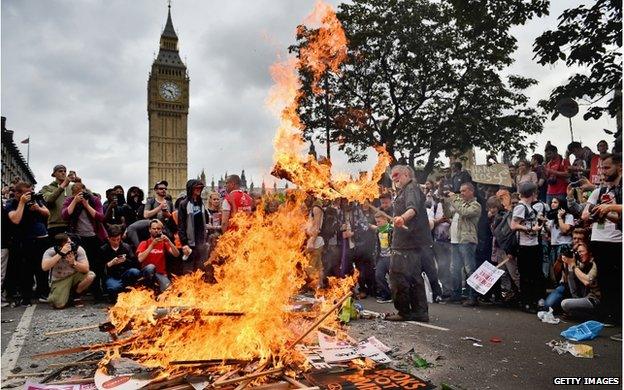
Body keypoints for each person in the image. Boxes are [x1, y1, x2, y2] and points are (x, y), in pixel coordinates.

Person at [385, 165, 431, 322]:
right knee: (413, 276)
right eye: (392, 176)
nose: (394, 179)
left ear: (406, 174)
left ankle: (404, 311)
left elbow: (413, 209)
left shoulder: (411, 188)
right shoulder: (406, 190)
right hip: (410, 241)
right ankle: (419, 312)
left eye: (396, 175)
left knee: (398, 276)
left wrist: (402, 218)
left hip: (407, 242)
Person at [581, 153, 622, 324]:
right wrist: (596, 212)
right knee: (604, 280)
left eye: (607, 167)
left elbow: (617, 217)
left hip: (617, 241)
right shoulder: (598, 191)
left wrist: (609, 209)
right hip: (598, 239)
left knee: (618, 281)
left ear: (620, 167)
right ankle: (609, 315)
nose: (603, 172)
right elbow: (585, 214)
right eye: (601, 168)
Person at [6, 182, 50, 305]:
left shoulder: (34, 200)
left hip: (40, 239)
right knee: (25, 270)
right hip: (23, 240)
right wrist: (22, 203)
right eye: (26, 193)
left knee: (42, 268)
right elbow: (15, 219)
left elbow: (47, 213)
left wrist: (37, 208)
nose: (29, 195)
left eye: (30, 192)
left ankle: (42, 292)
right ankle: (26, 297)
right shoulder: (12, 204)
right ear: (17, 193)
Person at [443, 182, 482, 306]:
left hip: (467, 241)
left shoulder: (475, 205)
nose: (461, 194)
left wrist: (454, 198)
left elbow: (464, 212)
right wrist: (445, 201)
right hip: (455, 240)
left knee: (470, 269)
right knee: (454, 269)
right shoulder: (459, 203)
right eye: (460, 191)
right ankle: (456, 295)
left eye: (464, 191)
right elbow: (448, 214)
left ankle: (472, 297)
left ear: (471, 191)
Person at [510, 182, 546, 312]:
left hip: (533, 244)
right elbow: (513, 225)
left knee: (534, 274)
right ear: (532, 193)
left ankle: (533, 301)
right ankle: (526, 302)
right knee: (526, 275)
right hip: (525, 245)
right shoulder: (520, 207)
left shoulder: (529, 206)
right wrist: (530, 228)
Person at [41, 234, 95, 309]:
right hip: (60, 279)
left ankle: (76, 295)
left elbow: (86, 269)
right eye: (67, 244)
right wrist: (60, 254)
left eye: (70, 242)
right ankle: (68, 296)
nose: (70, 245)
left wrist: (74, 263)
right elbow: (44, 267)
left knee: (90, 275)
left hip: (75, 275)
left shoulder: (78, 249)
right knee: (58, 304)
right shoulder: (50, 251)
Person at [559, 243, 601, 319]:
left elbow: (587, 282)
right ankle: (576, 312)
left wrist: (573, 264)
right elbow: (567, 280)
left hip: (594, 300)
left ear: (589, 253)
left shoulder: (594, 264)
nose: (579, 254)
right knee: (572, 273)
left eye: (582, 252)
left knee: (564, 304)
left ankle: (592, 316)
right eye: (578, 252)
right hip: (585, 295)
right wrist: (567, 264)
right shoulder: (582, 263)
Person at [136, 219, 179, 292]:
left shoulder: (164, 243)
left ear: (161, 230)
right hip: (147, 274)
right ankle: (148, 289)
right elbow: (140, 259)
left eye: (158, 229)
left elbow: (176, 254)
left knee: (168, 291)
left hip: (161, 274)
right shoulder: (144, 243)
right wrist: (152, 245)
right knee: (151, 267)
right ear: (150, 230)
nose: (156, 230)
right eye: (154, 228)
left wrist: (169, 241)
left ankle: (157, 291)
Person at [178, 179, 210, 275]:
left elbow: (206, 219)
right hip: (189, 243)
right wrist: (184, 243)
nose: (199, 189)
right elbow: (181, 225)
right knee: (188, 269)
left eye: (200, 188)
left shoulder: (201, 203)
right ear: (191, 189)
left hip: (201, 242)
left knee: (200, 269)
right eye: (196, 188)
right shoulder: (183, 204)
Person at [102, 225, 140, 301]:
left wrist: (125, 260)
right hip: (112, 276)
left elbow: (135, 263)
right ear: (108, 238)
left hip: (125, 273)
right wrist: (110, 263)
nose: (116, 242)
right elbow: (99, 268)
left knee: (135, 272)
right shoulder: (103, 249)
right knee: (113, 288)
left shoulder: (126, 247)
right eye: (113, 240)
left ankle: (128, 290)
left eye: (118, 239)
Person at [41, 165, 76, 237]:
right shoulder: (47, 188)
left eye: (65, 171)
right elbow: (49, 200)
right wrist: (63, 185)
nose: (63, 173)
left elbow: (89, 196)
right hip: (55, 226)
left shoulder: (72, 187)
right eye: (60, 171)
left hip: (71, 225)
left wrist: (79, 181)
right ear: (54, 174)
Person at [545, 198, 574, 282]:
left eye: (555, 202)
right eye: (552, 202)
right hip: (554, 245)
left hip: (564, 245)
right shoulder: (552, 218)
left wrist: (559, 217)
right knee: (555, 270)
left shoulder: (569, 216)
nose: (552, 204)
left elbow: (565, 230)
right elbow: (549, 231)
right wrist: (543, 224)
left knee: (564, 270)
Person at [303, 194, 324, 290]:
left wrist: (311, 242)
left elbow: (317, 227)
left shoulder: (316, 208)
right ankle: (319, 286)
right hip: (314, 240)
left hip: (316, 241)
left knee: (311, 268)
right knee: (319, 267)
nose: (305, 199)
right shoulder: (313, 208)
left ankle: (313, 288)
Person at [372, 212, 392, 303]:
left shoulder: (391, 229)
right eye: (376, 222)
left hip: (391, 257)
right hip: (382, 257)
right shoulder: (378, 230)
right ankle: (387, 294)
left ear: (385, 219)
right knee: (378, 275)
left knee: (394, 278)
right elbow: (377, 245)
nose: (377, 224)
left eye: (379, 222)